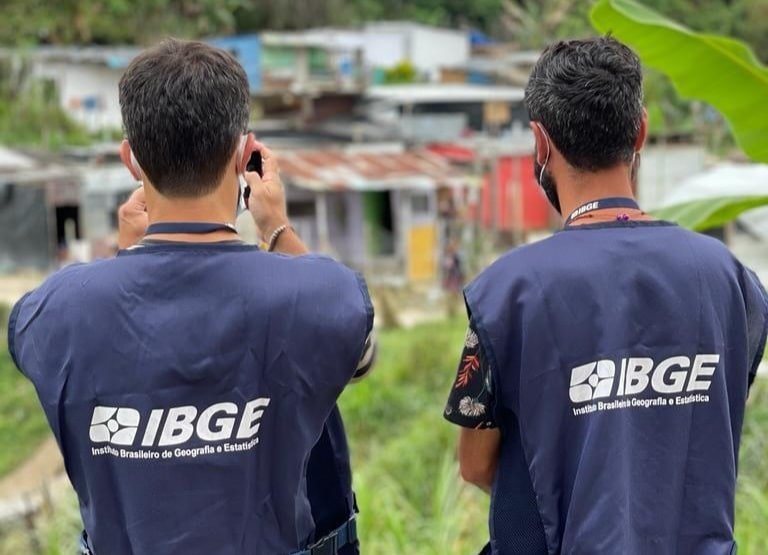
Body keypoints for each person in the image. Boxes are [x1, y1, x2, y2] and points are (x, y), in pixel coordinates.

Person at [7, 39, 374, 555]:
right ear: (243, 154)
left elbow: (111, 325)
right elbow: (359, 355)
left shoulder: (51, 312)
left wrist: (127, 255)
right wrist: (276, 227)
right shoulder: (317, 294)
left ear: (131, 160)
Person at [443, 37, 768, 555]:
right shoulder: (732, 281)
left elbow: (476, 464)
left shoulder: (507, 293)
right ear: (640, 131)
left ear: (540, 144)